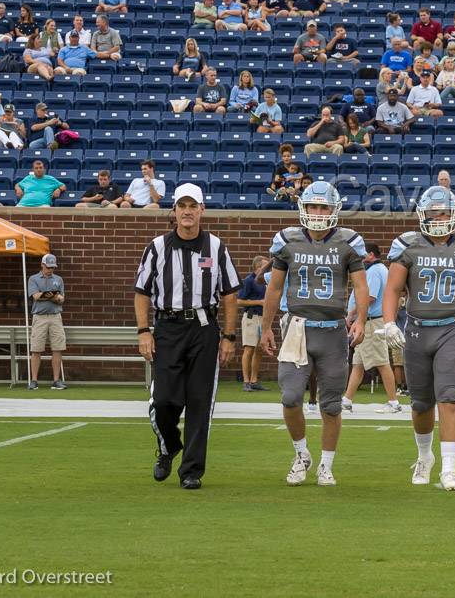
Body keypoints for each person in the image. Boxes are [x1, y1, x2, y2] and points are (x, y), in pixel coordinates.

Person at [380, 187, 455, 491]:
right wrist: (390, 322)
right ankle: (424, 456)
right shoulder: (407, 246)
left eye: (443, 212)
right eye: (433, 213)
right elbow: (392, 289)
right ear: (422, 214)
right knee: (420, 404)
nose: (438, 218)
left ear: (454, 214)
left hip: (453, 329)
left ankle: (449, 468)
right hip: (417, 331)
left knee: (449, 397)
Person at [259, 182, 370, 487]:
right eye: (313, 207)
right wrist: (266, 326)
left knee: (331, 405)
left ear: (334, 210)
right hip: (297, 329)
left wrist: (361, 320)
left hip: (333, 330)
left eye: (323, 207)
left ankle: (326, 464)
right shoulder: (287, 240)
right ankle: (301, 454)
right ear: (303, 208)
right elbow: (275, 287)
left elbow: (361, 286)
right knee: (291, 397)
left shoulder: (349, 242)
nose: (318, 213)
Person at [134, 183, 241, 490]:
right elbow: (141, 292)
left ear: (202, 211)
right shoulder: (156, 247)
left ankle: (191, 471)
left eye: (193, 206)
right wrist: (144, 331)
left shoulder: (216, 247)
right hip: (167, 328)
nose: (187, 211)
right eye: (182, 206)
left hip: (204, 328)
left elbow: (230, 293)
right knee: (164, 400)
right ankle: (169, 445)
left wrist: (229, 336)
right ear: (175, 211)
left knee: (199, 402)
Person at [342, 244, 401, 414]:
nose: (360, 258)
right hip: (368, 321)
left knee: (381, 362)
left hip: (371, 322)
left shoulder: (375, 270)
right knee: (358, 364)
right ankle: (347, 400)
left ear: (370, 254)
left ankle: (393, 402)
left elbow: (370, 297)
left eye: (362, 254)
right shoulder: (379, 269)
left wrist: (352, 316)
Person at [27, 253, 66, 390]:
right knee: (36, 349)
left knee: (57, 348)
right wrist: (52, 296)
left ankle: (56, 381)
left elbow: (61, 298)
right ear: (42, 265)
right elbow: (36, 296)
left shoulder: (59, 279)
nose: (50, 270)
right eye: (48, 267)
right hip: (39, 317)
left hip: (56, 316)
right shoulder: (33, 279)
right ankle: (34, 381)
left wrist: (51, 296)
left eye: (53, 267)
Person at [236, 255, 270, 392]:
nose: (268, 268)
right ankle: (246, 381)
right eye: (266, 266)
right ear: (258, 267)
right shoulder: (249, 281)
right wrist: (258, 302)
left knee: (259, 350)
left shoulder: (266, 281)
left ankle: (254, 380)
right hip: (251, 317)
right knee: (249, 349)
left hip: (263, 318)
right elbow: (238, 301)